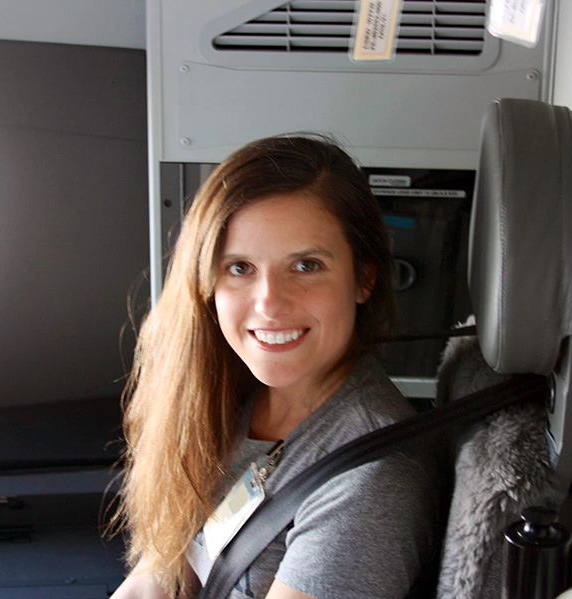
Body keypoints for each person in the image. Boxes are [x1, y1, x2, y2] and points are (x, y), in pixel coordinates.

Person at [110, 134, 439, 599]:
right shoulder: (224, 397)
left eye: (306, 266)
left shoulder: (369, 475)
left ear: (364, 278)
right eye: (240, 268)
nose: (269, 304)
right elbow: (158, 576)